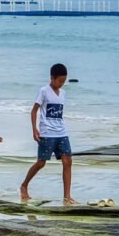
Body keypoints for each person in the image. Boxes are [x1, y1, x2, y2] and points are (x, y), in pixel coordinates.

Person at [20, 63, 77, 205]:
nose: (62, 84)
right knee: (41, 163)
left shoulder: (63, 93)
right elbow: (34, 111)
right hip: (47, 133)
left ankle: (67, 197)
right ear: (52, 78)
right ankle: (24, 185)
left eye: (64, 81)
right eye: (59, 81)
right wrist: (34, 129)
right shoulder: (43, 91)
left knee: (68, 161)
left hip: (62, 132)